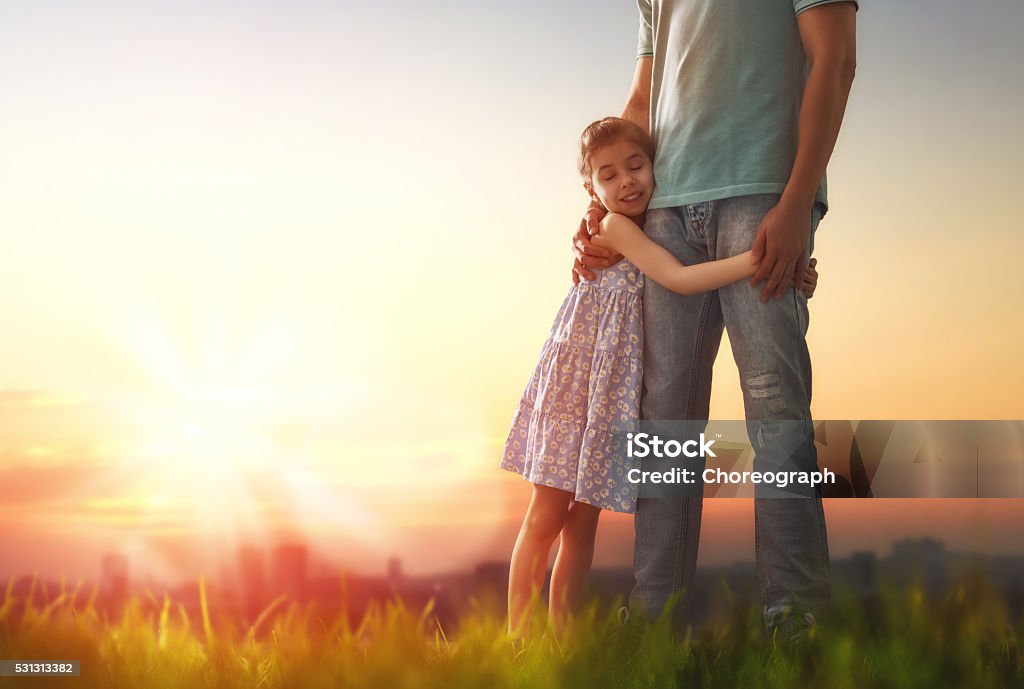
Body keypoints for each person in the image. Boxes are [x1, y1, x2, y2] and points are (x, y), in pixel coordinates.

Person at [571, 1, 858, 640]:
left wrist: (794, 201)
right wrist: (604, 203)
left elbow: (834, 61)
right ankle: (654, 619)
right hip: (665, 209)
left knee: (774, 407)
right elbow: (643, 98)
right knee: (664, 417)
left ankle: (795, 618)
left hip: (762, 191)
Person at [500, 116, 819, 641]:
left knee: (583, 526)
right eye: (608, 175)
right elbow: (680, 279)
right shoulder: (614, 228)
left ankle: (559, 644)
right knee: (547, 515)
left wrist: (798, 270)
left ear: (656, 167)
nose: (626, 181)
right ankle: (516, 639)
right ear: (590, 189)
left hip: (607, 395)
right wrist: (763, 255)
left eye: (636, 165)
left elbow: (686, 271)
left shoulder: (655, 227)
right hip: (575, 388)